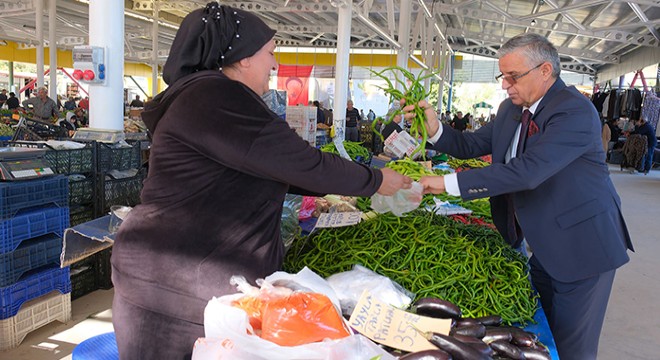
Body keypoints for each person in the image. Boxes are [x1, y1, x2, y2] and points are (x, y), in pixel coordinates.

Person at [110, 3, 412, 359]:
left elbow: (279, 166)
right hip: (178, 286)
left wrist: (369, 177)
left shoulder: (205, 98)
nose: (274, 65)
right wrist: (375, 180)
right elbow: (302, 163)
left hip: (172, 275)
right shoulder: (218, 99)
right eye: (270, 53)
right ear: (241, 58)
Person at [407, 33, 633, 360]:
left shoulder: (574, 112)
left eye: (513, 76)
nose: (504, 85)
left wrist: (446, 184)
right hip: (545, 243)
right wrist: (434, 130)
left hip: (584, 246)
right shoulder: (513, 110)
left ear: (545, 71)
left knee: (571, 347)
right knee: (541, 338)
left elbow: (527, 172)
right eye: (503, 76)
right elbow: (469, 146)